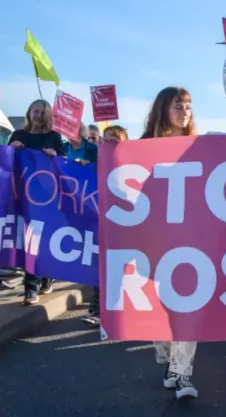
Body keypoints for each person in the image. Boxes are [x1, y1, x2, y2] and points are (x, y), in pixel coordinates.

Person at [141, 87, 199, 401]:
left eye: (189, 105)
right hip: (153, 241)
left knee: (187, 308)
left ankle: (181, 374)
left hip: (191, 244)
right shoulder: (143, 147)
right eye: (179, 105)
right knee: (160, 311)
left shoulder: (201, 146)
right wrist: (108, 148)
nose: (185, 111)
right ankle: (169, 362)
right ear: (164, 109)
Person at [8, 99, 65, 305]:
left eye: (42, 112)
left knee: (43, 240)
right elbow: (5, 160)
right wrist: (11, 148)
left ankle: (46, 277)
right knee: (29, 240)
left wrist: (55, 155)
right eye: (35, 110)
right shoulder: (18, 135)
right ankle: (30, 289)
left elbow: (64, 163)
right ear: (29, 112)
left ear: (48, 116)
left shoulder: (53, 137)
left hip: (46, 197)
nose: (38, 115)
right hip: (22, 195)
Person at [81, 125, 129, 328]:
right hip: (100, 226)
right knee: (99, 269)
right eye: (106, 138)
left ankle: (115, 310)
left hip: (123, 228)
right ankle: (97, 310)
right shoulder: (96, 164)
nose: (109, 142)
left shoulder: (130, 166)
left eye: (115, 139)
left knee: (118, 272)